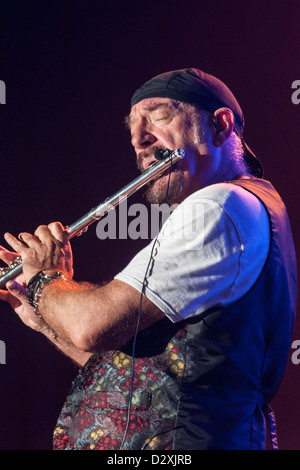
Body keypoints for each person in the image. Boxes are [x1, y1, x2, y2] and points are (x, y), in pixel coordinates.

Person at [0, 68, 297, 450]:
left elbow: (90, 326)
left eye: (158, 116)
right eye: (132, 128)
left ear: (220, 126)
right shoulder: (237, 207)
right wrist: (42, 310)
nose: (139, 140)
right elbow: (134, 371)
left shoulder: (220, 206)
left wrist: (46, 278)